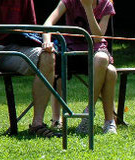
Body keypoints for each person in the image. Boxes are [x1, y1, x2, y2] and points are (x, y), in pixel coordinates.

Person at [0, 0, 59, 140]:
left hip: (10, 47)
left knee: (47, 57)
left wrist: (44, 43)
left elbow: (28, 29)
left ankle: (37, 124)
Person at [43, 0, 117, 135]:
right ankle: (57, 119)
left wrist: (88, 8)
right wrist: (47, 41)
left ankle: (91, 114)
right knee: (56, 63)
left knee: (107, 67)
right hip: (71, 51)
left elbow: (97, 38)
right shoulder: (69, 2)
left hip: (95, 50)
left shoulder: (106, 4)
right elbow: (48, 23)